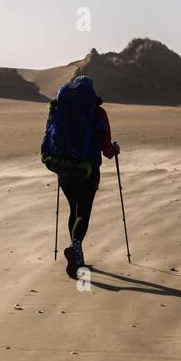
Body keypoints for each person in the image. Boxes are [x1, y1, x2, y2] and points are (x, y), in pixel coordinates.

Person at [40, 76, 120, 278]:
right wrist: (115, 150)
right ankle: (75, 249)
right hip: (87, 170)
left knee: (73, 210)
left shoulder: (59, 110)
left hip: (62, 169)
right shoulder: (98, 112)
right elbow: (107, 148)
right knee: (83, 213)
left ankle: (77, 257)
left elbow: (48, 135)